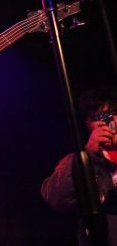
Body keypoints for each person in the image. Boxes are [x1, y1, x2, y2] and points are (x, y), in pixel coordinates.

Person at [41, 86, 117, 246]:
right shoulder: (76, 161)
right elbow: (55, 197)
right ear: (88, 124)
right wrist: (88, 155)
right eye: (99, 116)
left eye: (113, 114)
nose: (107, 122)